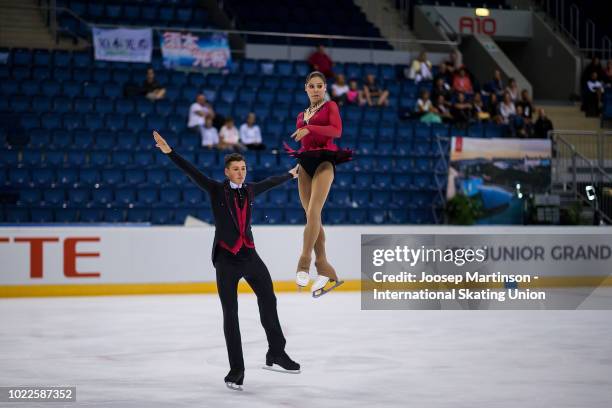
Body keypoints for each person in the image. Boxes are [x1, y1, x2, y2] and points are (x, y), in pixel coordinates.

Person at [153, 130, 301, 391]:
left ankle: (277, 353)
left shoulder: (251, 190)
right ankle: (236, 370)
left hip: (249, 254)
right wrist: (170, 152)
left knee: (269, 298)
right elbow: (191, 171)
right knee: (230, 314)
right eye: (236, 169)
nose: (241, 173)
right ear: (226, 172)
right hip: (226, 259)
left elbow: (270, 182)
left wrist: (291, 174)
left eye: (243, 168)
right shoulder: (215, 189)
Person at [283, 71, 352, 297]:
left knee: (314, 211)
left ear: (325, 88)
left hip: (324, 162)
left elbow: (336, 131)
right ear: (305, 88)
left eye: (319, 86)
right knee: (312, 217)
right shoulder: (300, 115)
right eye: (311, 86)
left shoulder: (331, 106)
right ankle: (324, 268)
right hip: (305, 165)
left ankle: (304, 263)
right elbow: (305, 145)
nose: (315, 89)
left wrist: (310, 128)